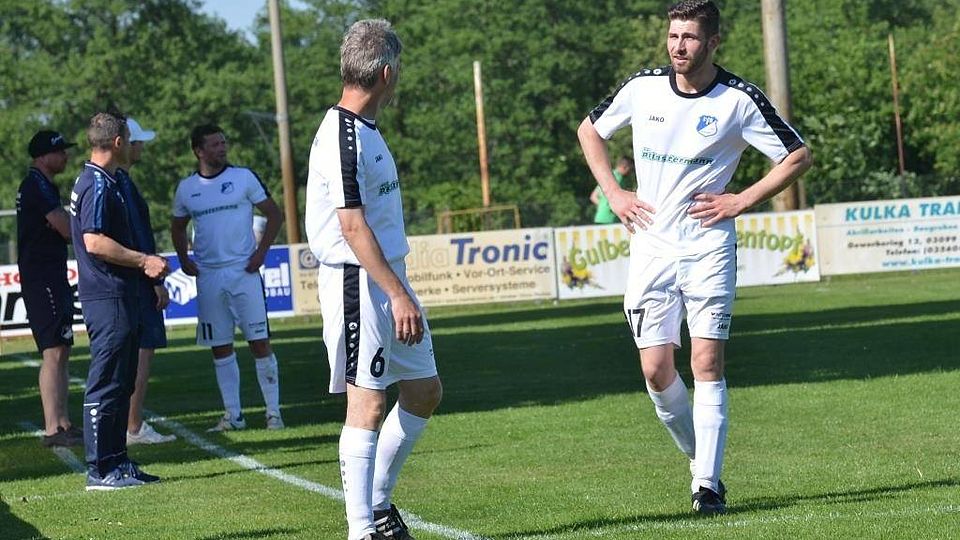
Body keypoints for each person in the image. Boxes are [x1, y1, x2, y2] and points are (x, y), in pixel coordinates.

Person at [577, 0, 812, 515]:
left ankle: (707, 484)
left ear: (713, 42)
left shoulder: (739, 99)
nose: (678, 46)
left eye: (689, 37)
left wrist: (741, 199)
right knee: (656, 370)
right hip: (651, 245)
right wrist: (614, 192)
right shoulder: (642, 88)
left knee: (705, 361)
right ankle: (699, 456)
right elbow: (589, 130)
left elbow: (797, 155)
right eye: (673, 36)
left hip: (708, 245)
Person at [305, 19, 442, 540]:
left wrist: (398, 289)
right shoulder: (341, 136)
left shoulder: (365, 129)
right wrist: (396, 294)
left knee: (424, 391)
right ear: (387, 73)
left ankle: (379, 505)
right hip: (358, 281)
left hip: (386, 279)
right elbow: (352, 227)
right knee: (367, 403)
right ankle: (361, 530)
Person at [70, 111, 169, 490]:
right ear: (117, 143)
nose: (131, 145)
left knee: (122, 382)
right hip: (107, 295)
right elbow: (94, 241)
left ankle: (117, 461)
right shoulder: (96, 182)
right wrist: (144, 261)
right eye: (128, 139)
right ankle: (99, 469)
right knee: (107, 383)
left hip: (121, 293)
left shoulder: (109, 180)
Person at [171, 124, 285, 432]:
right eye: (215, 144)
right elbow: (177, 226)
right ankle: (233, 416)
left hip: (243, 273)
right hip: (208, 277)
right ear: (198, 151)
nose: (222, 148)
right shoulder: (187, 188)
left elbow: (275, 214)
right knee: (220, 346)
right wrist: (184, 259)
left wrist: (261, 253)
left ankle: (274, 414)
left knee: (259, 342)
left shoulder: (243, 177)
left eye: (223, 143)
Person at [17, 129, 81, 447]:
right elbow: (65, 228)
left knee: (62, 349)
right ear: (43, 157)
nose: (65, 156)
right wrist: (75, 227)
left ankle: (63, 422)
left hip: (51, 274)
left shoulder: (44, 185)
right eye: (59, 151)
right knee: (53, 351)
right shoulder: (36, 185)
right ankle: (53, 427)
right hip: (42, 277)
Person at [118, 117, 176, 445]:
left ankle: (130, 423)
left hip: (132, 279)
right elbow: (136, 236)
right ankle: (133, 425)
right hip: (138, 281)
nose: (140, 147)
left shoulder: (120, 182)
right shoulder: (121, 183)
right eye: (137, 142)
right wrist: (154, 279)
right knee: (141, 352)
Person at [590, 156, 633, 224]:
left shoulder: (609, 176)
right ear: (625, 167)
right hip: (610, 219)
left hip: (600, 217)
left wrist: (603, 207)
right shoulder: (618, 179)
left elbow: (593, 196)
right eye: (630, 169)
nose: (630, 172)